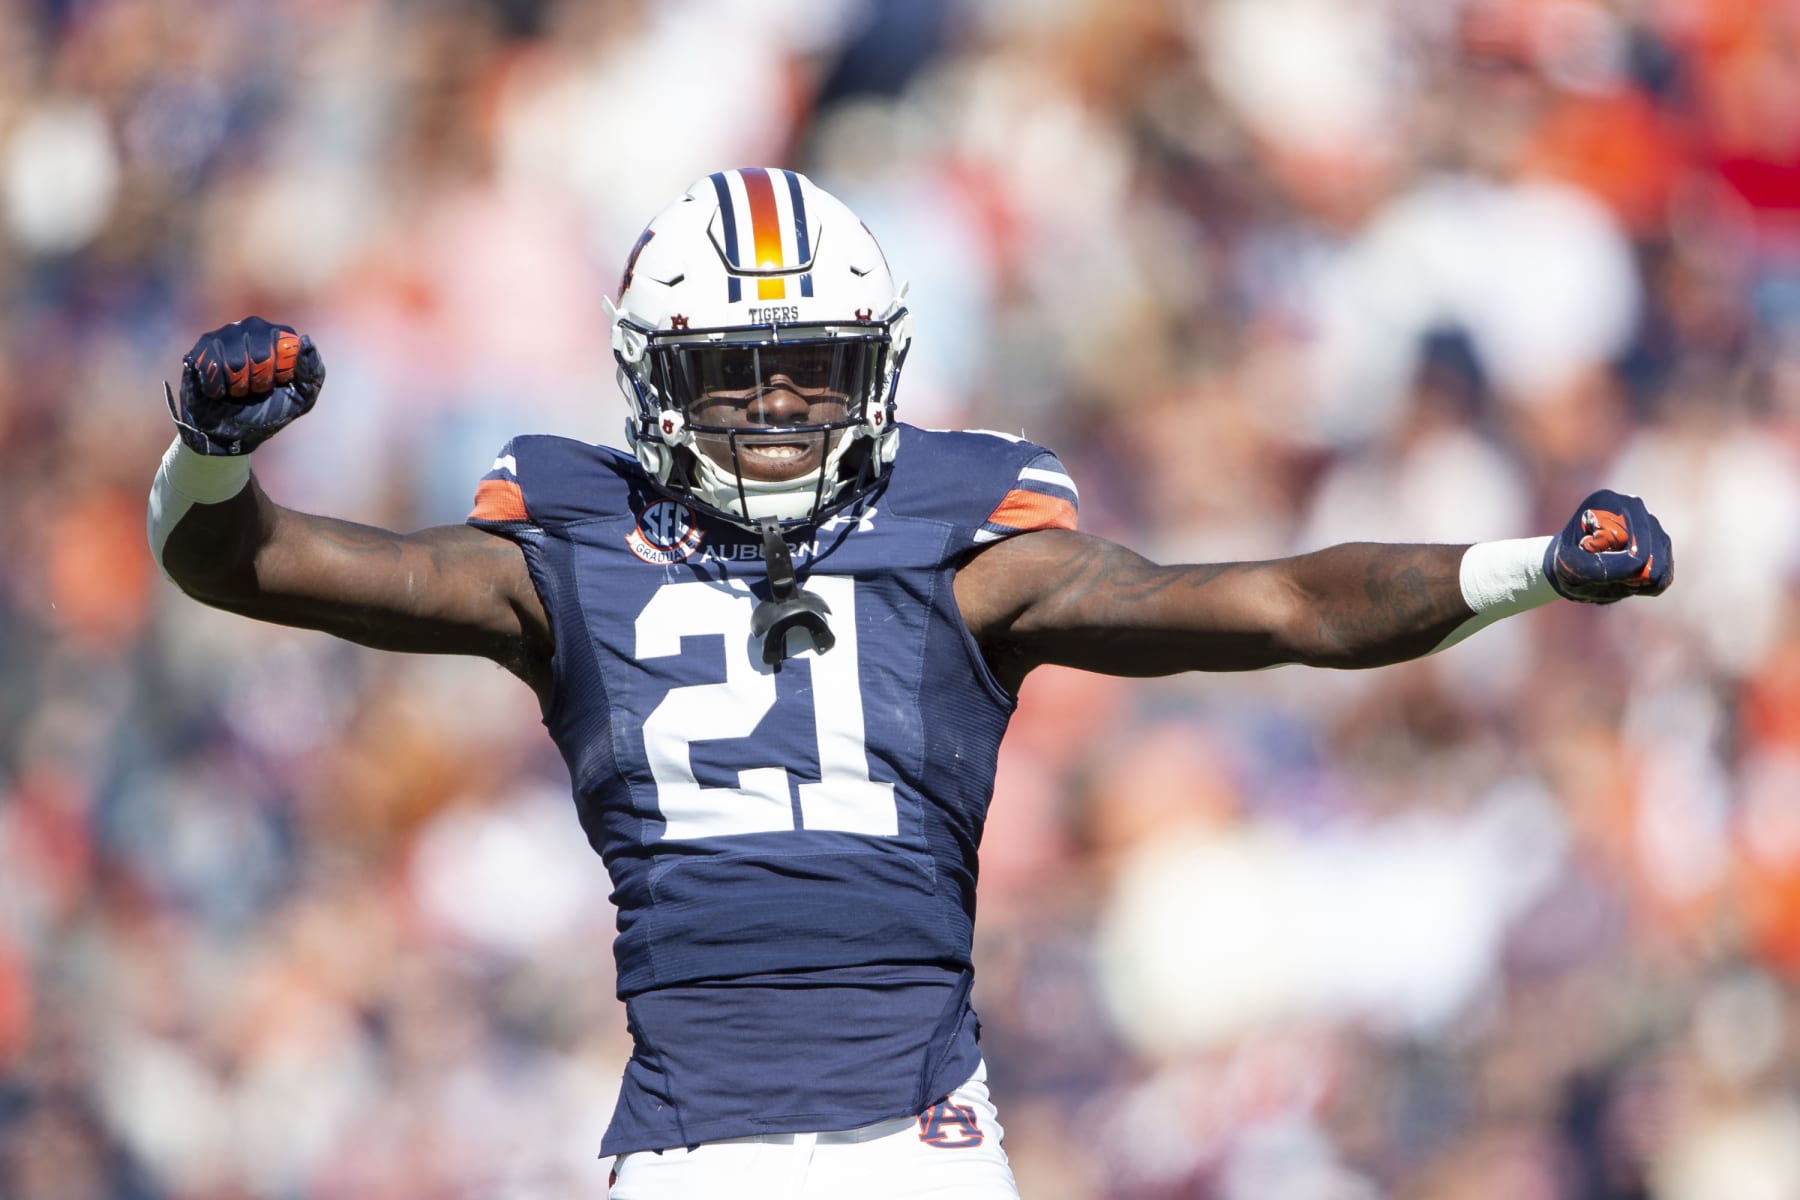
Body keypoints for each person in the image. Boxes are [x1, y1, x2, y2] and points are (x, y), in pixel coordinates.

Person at [147, 168, 1673, 1199]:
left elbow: (1277, 605)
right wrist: (211, 455)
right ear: (646, 383)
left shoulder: (970, 549)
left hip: (916, 1144)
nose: (772, 409)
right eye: (730, 375)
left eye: (807, 366)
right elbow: (249, 565)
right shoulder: (559, 547)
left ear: (873, 367)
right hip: (692, 1149)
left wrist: (1527, 561)